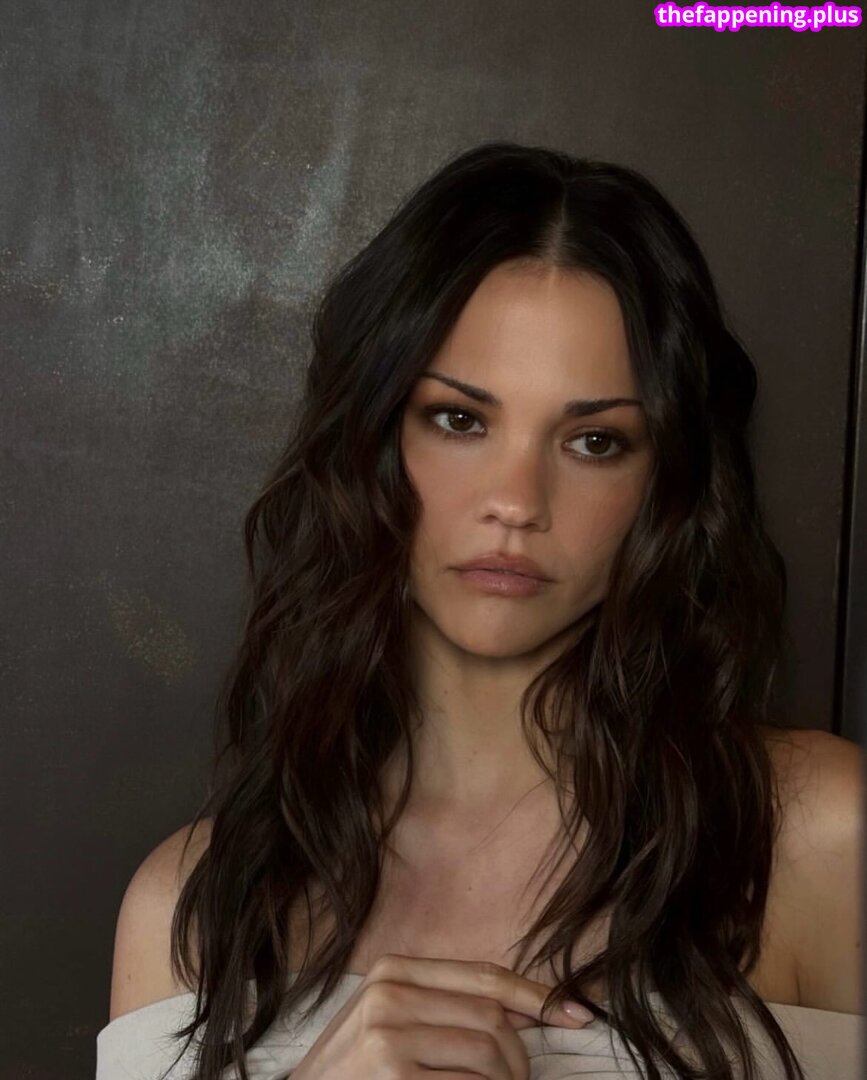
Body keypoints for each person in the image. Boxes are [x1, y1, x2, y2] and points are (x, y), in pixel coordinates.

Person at [97, 142, 863, 1080]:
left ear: (663, 482)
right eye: (459, 420)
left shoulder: (818, 837)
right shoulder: (191, 907)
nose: (515, 501)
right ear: (371, 442)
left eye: (593, 440)